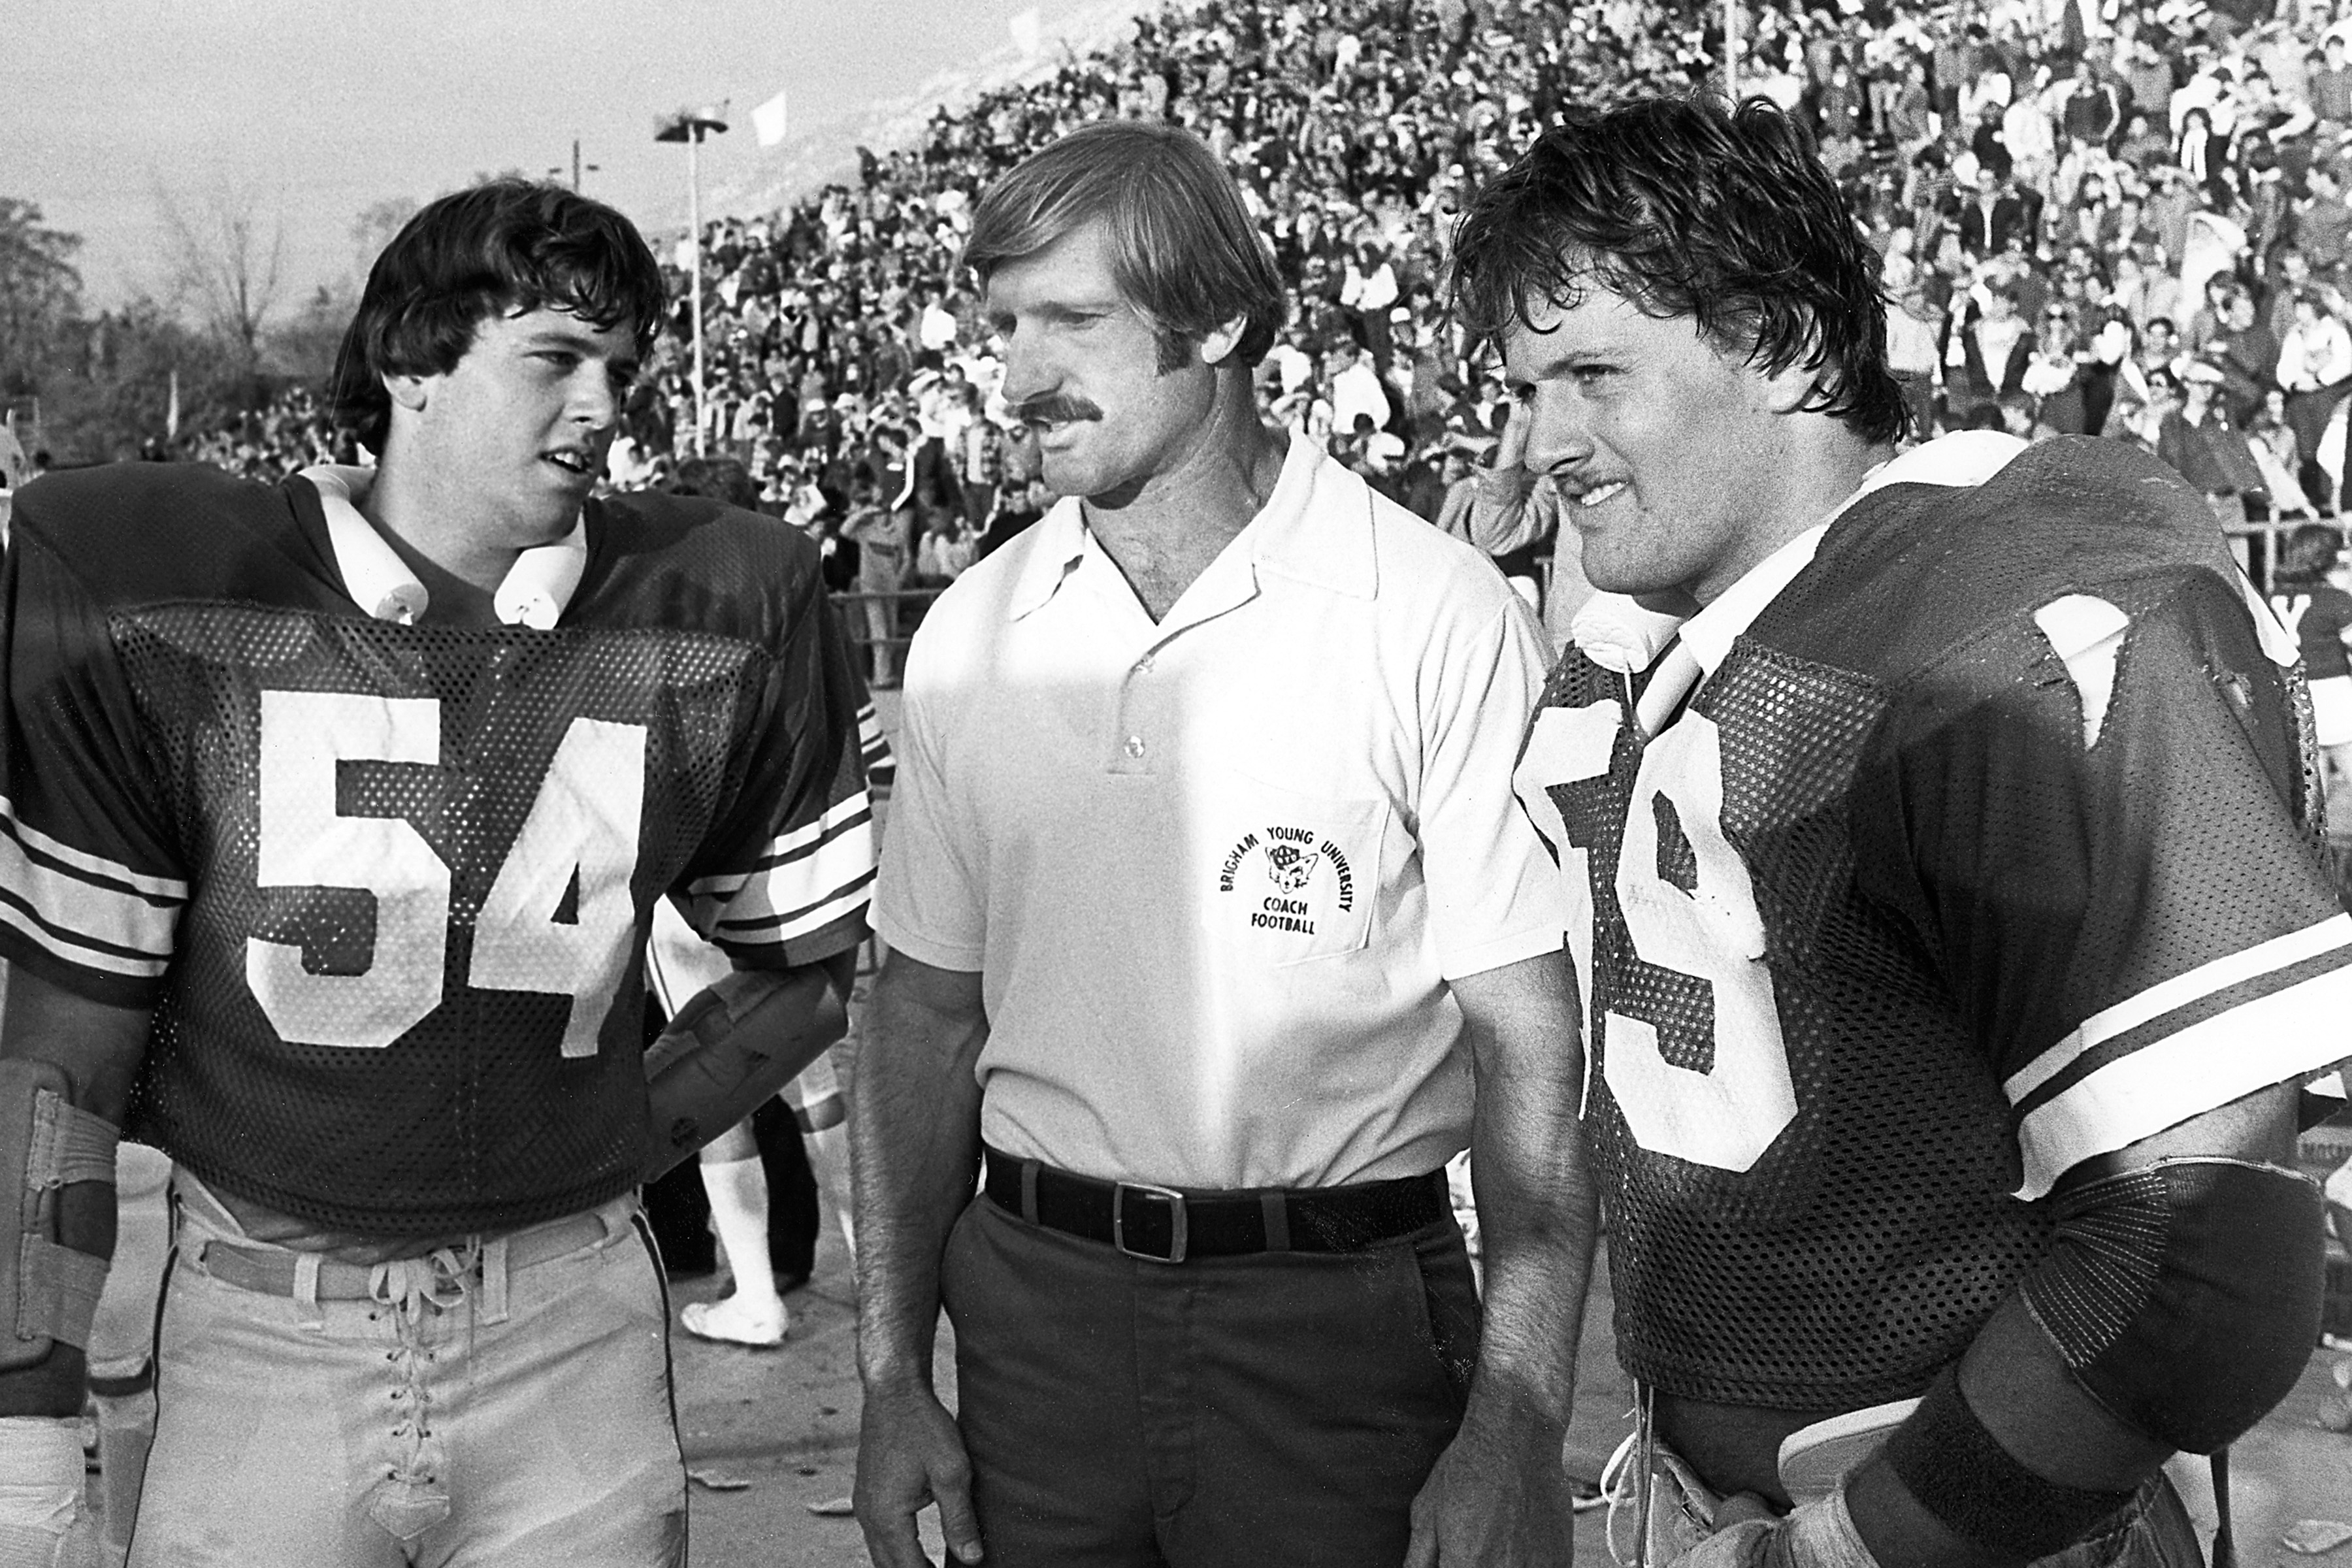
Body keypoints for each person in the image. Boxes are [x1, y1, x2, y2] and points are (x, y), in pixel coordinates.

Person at [1452, 97, 2352, 1568]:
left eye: (1593, 375)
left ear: (1778, 343)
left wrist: (1854, 1547)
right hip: (1701, 1493)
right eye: (1523, 388)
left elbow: (2201, 1253)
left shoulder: (2002, 610)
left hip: (1976, 1528)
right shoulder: (1655, 646)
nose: (1543, 441)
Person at [0, 180, 876, 1567]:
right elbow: (63, 1056)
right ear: (412, 360)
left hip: (572, 1327)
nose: (602, 406)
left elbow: (807, 975)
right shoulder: (172, 592)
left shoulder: (713, 598)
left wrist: (595, 1144)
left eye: (622, 369)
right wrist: (27, 1400)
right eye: (555, 358)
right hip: (263, 1327)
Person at [851, 120, 1593, 1568]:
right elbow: (921, 1021)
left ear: (1222, 323)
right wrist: (888, 1376)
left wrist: (1517, 1416)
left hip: (1340, 1332)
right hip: (1036, 1331)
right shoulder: (972, 631)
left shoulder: (1430, 613)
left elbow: (1531, 1043)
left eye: (1072, 320)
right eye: (1003, 326)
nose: (1018, 376)